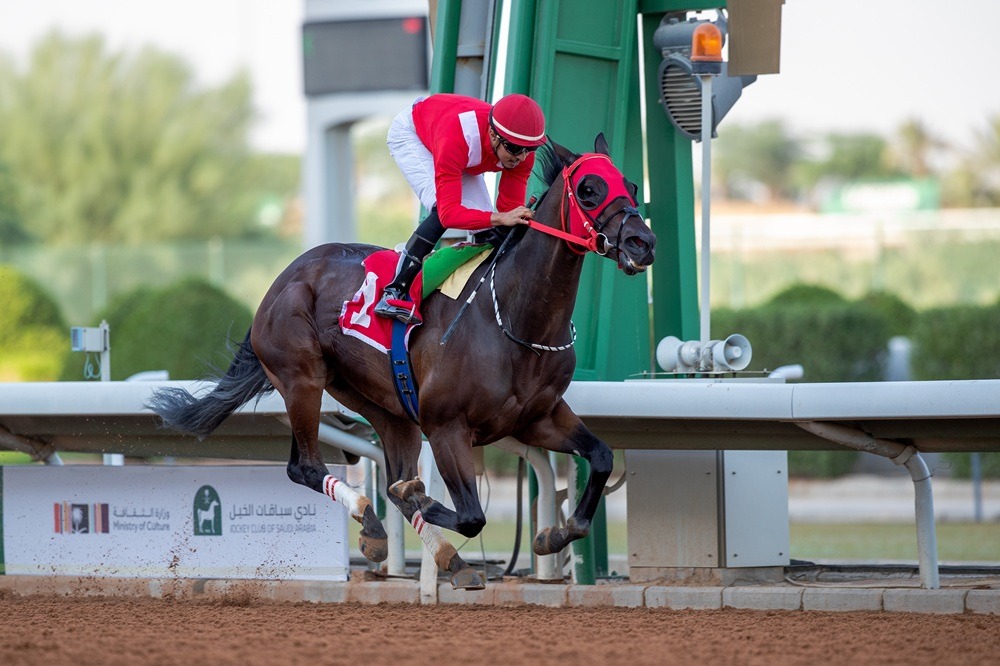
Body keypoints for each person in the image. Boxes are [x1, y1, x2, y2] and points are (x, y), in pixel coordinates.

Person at [374, 92, 547, 324]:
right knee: (441, 209)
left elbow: (508, 211)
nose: (522, 157)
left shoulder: (522, 154)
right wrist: (499, 218)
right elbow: (449, 214)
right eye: (515, 148)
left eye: (529, 149)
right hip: (415, 135)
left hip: (461, 152)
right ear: (494, 135)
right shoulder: (456, 136)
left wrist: (512, 221)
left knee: (490, 232)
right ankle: (395, 291)